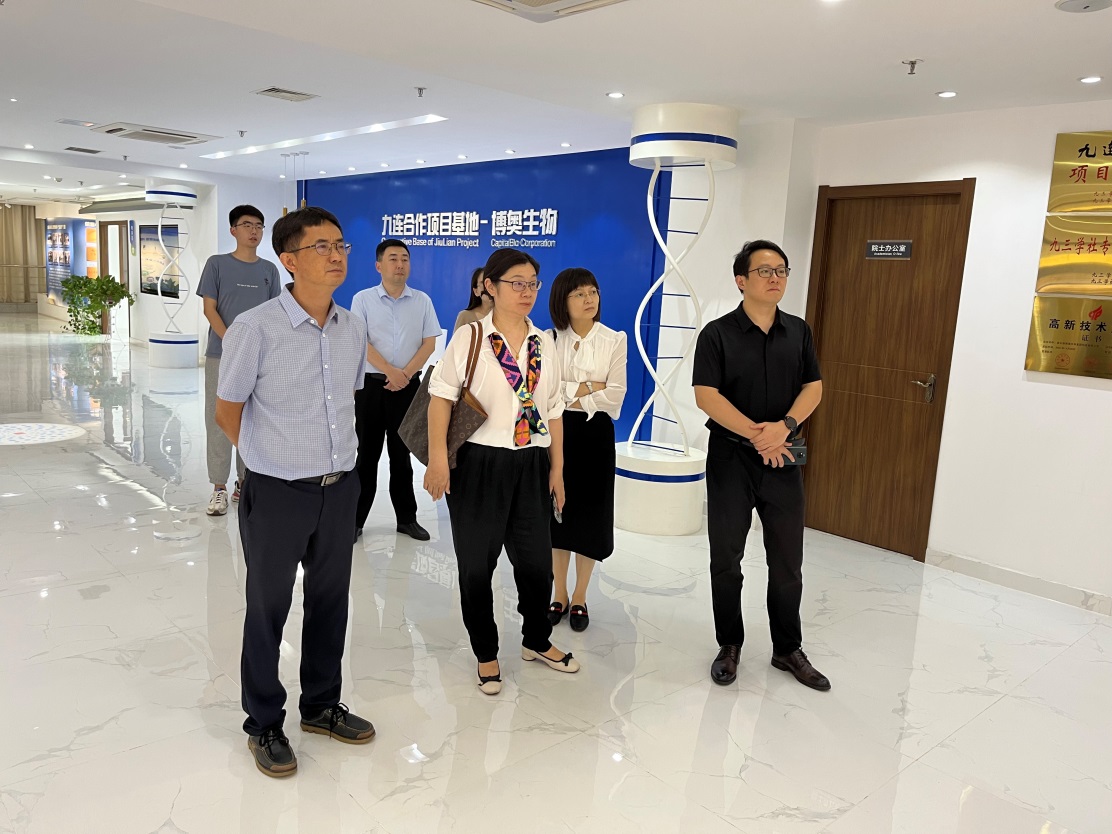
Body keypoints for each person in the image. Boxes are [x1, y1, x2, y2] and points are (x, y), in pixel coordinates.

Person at [215, 206, 376, 778]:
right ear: (288, 260)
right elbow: (227, 411)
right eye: (321, 247)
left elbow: (345, 400)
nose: (336, 256)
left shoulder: (353, 327)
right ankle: (263, 722)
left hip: (340, 487)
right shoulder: (254, 328)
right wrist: (266, 460)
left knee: (332, 602)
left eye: (341, 245)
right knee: (268, 608)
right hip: (277, 492)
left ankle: (321, 705)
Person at [424, 248, 580, 697]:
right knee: (477, 566)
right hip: (479, 464)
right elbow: (441, 398)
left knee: (536, 565)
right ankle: (486, 653)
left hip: (531, 463)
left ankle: (536, 640)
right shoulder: (470, 337)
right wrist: (438, 459)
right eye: (516, 283)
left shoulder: (543, 342)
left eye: (533, 283)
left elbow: (554, 409)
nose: (527, 291)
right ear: (490, 286)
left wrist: (557, 469)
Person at [692, 239, 828, 691]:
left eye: (781, 271)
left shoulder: (799, 331)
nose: (775, 278)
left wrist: (783, 427)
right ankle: (729, 644)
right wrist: (758, 434)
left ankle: (787, 648)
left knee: (788, 561)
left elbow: (813, 387)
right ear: (741, 280)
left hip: (783, 456)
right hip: (731, 457)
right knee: (726, 559)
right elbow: (706, 396)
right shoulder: (716, 334)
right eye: (765, 271)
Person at [546, 268, 627, 632]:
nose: (588, 299)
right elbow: (545, 393)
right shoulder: (549, 339)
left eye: (592, 291)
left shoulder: (614, 339)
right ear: (562, 300)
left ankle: (580, 595)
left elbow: (616, 395)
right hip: (556, 433)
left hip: (596, 436)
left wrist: (570, 392)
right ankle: (559, 592)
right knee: (557, 512)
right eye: (579, 293)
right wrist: (591, 386)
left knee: (590, 514)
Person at [350, 239, 440, 542]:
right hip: (371, 388)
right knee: (366, 456)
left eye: (404, 259)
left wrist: (405, 374)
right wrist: (390, 371)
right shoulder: (363, 299)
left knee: (402, 457)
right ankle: (355, 521)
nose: (400, 264)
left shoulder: (422, 301)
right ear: (379, 265)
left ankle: (407, 520)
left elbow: (429, 342)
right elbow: (360, 341)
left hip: (408, 389)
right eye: (393, 259)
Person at [197, 205, 280, 516]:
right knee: (219, 418)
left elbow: (273, 314)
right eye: (247, 225)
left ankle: (245, 482)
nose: (254, 231)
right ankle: (218, 487)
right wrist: (232, 341)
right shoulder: (217, 264)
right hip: (221, 355)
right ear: (233, 230)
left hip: (259, 358)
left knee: (253, 420)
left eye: (259, 225)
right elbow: (209, 308)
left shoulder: (269, 270)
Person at [452, 267, 492, 331]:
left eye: (492, 282)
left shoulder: (505, 317)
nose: (488, 287)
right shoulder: (465, 316)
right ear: (476, 291)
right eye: (483, 283)